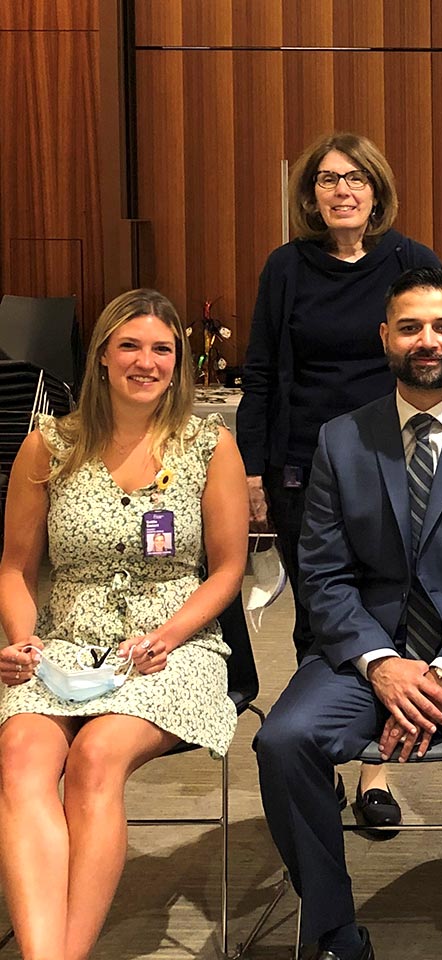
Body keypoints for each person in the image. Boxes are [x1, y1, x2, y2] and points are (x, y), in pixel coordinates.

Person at [252, 268, 442, 960]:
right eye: (412, 327)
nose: (428, 340)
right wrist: (384, 665)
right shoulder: (341, 439)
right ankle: (333, 931)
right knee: (283, 742)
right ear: (385, 336)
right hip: (368, 656)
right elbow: (324, 577)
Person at [0, 289, 248, 959]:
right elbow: (15, 570)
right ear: (103, 356)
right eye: (130, 346)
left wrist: (169, 634)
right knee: (21, 755)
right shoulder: (47, 446)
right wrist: (24, 639)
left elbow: (228, 569)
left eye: (161, 349)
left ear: (179, 363)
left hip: (172, 647)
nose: (146, 361)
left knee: (94, 758)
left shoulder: (208, 445)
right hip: (64, 645)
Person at [237, 131, 442, 832]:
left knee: (392, 612)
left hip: (397, 463)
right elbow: (261, 371)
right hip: (305, 467)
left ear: (376, 190)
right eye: (328, 179)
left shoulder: (408, 259)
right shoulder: (286, 267)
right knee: (319, 616)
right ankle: (315, 757)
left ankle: (375, 772)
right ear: (311, 194)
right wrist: (252, 469)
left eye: (356, 178)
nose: (342, 190)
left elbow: (439, 347)